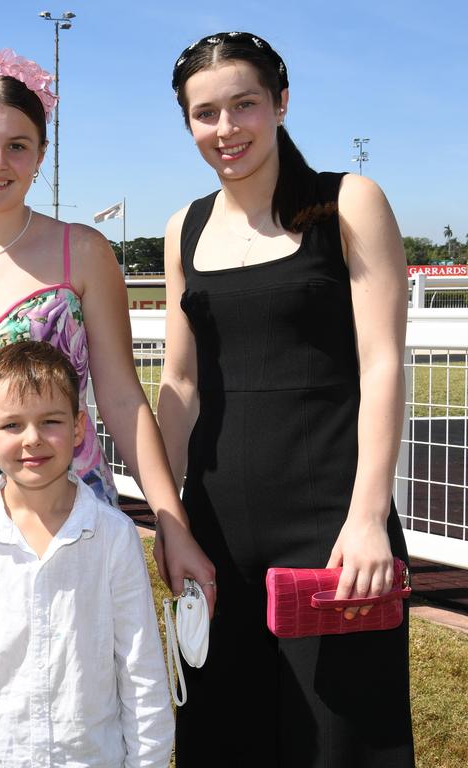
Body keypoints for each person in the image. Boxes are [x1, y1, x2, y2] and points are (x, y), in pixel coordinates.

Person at [156, 32, 414, 766]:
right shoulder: (185, 228)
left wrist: (367, 519)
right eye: (205, 114)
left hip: (332, 524)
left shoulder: (348, 201)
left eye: (244, 105)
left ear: (281, 104)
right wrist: (167, 517)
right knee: (221, 735)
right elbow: (180, 383)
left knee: (342, 740)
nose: (226, 128)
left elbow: (383, 361)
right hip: (217, 531)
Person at [0, 50, 213, 601]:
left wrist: (170, 521)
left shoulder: (83, 251)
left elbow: (121, 397)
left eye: (18, 145)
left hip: (73, 519)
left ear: (40, 155)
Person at [0, 340, 173, 768]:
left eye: (50, 421)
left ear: (78, 428)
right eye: (12, 426)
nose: (33, 439)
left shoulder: (114, 536)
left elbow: (142, 670)